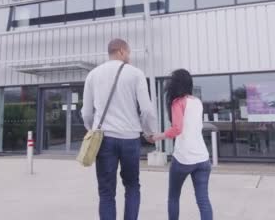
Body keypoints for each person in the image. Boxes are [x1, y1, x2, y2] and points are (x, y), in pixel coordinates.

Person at [81, 38, 157, 220]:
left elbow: (86, 113)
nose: (129, 57)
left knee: (106, 191)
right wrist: (149, 132)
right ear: (122, 51)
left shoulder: (93, 75)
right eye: (129, 53)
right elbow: (146, 109)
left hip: (104, 139)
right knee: (132, 186)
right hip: (130, 139)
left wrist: (92, 129)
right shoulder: (136, 73)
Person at [152, 69, 213, 220]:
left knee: (173, 197)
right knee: (203, 201)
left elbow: (177, 129)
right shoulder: (197, 102)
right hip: (203, 158)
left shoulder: (178, 102)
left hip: (184, 159)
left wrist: (158, 136)